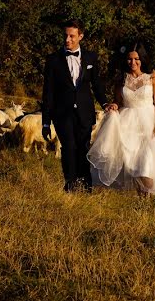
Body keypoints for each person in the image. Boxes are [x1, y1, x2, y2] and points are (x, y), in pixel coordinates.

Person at [87, 41, 155, 196]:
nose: (133, 62)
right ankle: (141, 198)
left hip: (148, 121)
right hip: (127, 123)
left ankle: (147, 198)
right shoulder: (122, 79)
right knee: (132, 163)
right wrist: (114, 106)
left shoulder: (153, 77)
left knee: (146, 161)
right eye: (129, 59)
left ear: (142, 59)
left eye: (136, 59)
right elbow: (118, 101)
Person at [41, 19, 115, 193]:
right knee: (68, 147)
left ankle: (86, 185)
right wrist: (46, 121)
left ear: (80, 36)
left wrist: (104, 103)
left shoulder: (91, 57)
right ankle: (70, 185)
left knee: (83, 147)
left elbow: (96, 84)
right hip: (62, 113)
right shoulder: (53, 60)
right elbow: (48, 92)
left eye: (72, 36)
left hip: (84, 112)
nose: (67, 40)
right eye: (65, 35)